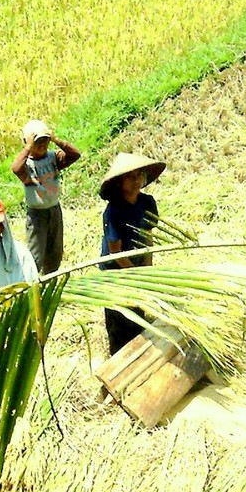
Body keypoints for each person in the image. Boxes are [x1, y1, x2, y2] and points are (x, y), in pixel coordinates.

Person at [98, 152, 165, 354]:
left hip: (136, 264)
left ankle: (139, 353)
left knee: (138, 314)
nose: (136, 180)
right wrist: (135, 275)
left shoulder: (147, 203)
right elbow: (115, 252)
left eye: (139, 175)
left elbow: (147, 237)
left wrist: (147, 271)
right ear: (119, 182)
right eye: (130, 176)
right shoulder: (113, 212)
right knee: (120, 316)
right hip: (116, 271)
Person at [11, 119, 81, 274]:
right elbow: (15, 168)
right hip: (37, 214)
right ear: (27, 142)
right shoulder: (27, 165)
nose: (42, 144)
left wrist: (56, 139)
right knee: (35, 256)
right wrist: (28, 147)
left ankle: (49, 282)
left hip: (54, 209)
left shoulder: (53, 158)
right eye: (37, 141)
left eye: (45, 140)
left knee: (55, 253)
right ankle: (32, 286)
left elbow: (75, 154)